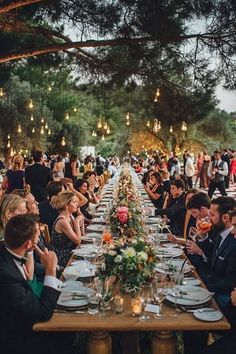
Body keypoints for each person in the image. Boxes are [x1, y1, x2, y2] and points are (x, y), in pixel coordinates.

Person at [0, 214, 76, 354]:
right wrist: (51, 270)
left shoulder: (8, 249)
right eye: (36, 239)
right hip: (19, 339)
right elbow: (43, 313)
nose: (38, 241)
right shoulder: (6, 275)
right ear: (28, 244)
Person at [50, 191, 83, 267]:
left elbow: (82, 236)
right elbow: (78, 241)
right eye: (74, 202)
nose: (77, 204)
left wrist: (81, 224)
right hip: (62, 255)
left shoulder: (70, 216)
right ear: (66, 205)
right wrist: (77, 222)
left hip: (71, 249)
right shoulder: (62, 221)